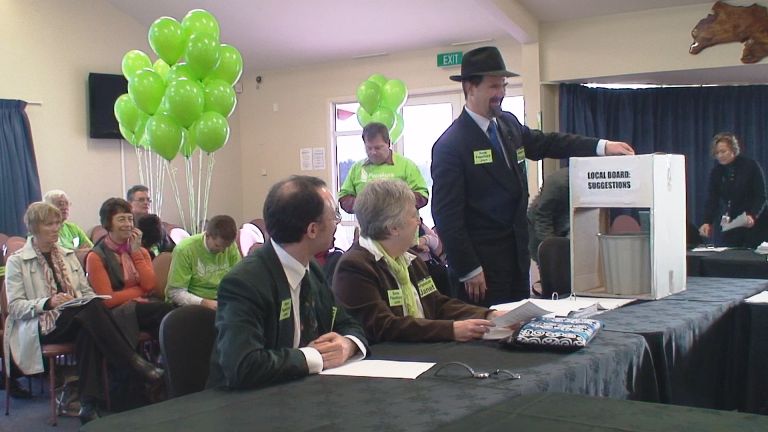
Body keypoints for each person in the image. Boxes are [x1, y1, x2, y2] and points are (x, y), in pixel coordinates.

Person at [431, 46, 634, 307]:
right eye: (494, 87)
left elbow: (548, 143)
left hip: (516, 259)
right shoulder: (451, 145)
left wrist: (601, 146)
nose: (501, 94)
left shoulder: (508, 124)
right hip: (481, 270)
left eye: (503, 86)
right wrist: (468, 268)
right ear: (470, 88)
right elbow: (447, 216)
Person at [4, 202, 163, 424]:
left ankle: (89, 405)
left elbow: (87, 291)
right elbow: (15, 307)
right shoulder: (17, 261)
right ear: (34, 228)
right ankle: (131, 361)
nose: (56, 228)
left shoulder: (67, 255)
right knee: (89, 310)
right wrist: (48, 302)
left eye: (58, 223)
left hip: (76, 317)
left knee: (87, 326)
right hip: (42, 325)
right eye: (49, 224)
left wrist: (82, 300)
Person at [207, 176, 368, 390]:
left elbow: (348, 322)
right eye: (334, 216)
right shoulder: (244, 283)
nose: (337, 223)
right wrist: (313, 357)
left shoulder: (312, 271)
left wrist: (347, 344)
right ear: (312, 230)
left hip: (300, 392)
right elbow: (243, 366)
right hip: (245, 406)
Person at [333, 179, 508, 344]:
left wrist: (488, 316)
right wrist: (451, 330)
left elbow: (436, 304)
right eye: (413, 216)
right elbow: (382, 327)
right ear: (393, 228)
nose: (418, 222)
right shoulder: (355, 267)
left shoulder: (411, 260)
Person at [86, 198, 172, 343]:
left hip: (143, 305)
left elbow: (150, 285)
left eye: (130, 219)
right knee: (163, 311)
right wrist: (140, 290)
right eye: (121, 220)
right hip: (116, 312)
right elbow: (107, 300)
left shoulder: (140, 251)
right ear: (108, 224)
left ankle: (163, 360)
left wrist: (136, 252)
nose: (127, 225)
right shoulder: (96, 256)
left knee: (172, 313)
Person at [338, 122, 429, 214]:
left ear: (388, 143)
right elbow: (344, 198)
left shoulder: (407, 165)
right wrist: (366, 204)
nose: (373, 152)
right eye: (369, 148)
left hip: (401, 225)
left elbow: (422, 196)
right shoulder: (357, 168)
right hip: (368, 226)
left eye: (378, 148)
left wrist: (393, 204)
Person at [699, 132, 768, 248]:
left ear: (733, 150)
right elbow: (712, 200)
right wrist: (707, 221)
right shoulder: (716, 172)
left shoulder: (750, 166)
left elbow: (761, 196)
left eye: (723, 151)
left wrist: (753, 215)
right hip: (732, 222)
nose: (720, 155)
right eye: (717, 153)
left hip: (755, 221)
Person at [165, 215, 241, 310]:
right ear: (207, 235)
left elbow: (238, 280)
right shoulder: (185, 249)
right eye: (217, 245)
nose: (222, 251)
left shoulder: (230, 246)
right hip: (193, 303)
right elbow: (175, 292)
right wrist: (203, 302)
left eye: (226, 247)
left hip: (221, 300)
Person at [527, 167, 570, 264]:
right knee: (550, 270)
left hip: (564, 227)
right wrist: (552, 251)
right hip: (539, 228)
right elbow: (542, 217)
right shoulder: (558, 182)